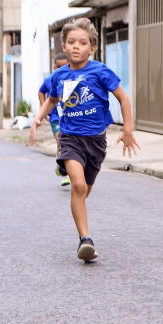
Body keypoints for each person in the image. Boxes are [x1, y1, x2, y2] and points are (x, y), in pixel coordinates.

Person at [29, 17, 139, 262]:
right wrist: (37, 119)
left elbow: (123, 98)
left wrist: (128, 130)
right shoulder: (59, 75)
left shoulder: (100, 71)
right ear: (64, 46)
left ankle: (79, 210)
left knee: (85, 189)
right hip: (70, 138)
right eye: (71, 42)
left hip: (96, 141)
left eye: (82, 42)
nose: (76, 46)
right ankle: (85, 240)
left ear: (92, 47)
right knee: (77, 186)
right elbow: (52, 100)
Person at [38, 52, 71, 186]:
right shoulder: (49, 79)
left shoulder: (74, 78)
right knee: (61, 142)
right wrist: (44, 109)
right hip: (56, 118)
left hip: (70, 118)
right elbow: (41, 92)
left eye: (64, 66)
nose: (61, 69)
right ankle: (64, 173)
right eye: (58, 66)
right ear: (54, 67)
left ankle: (65, 167)